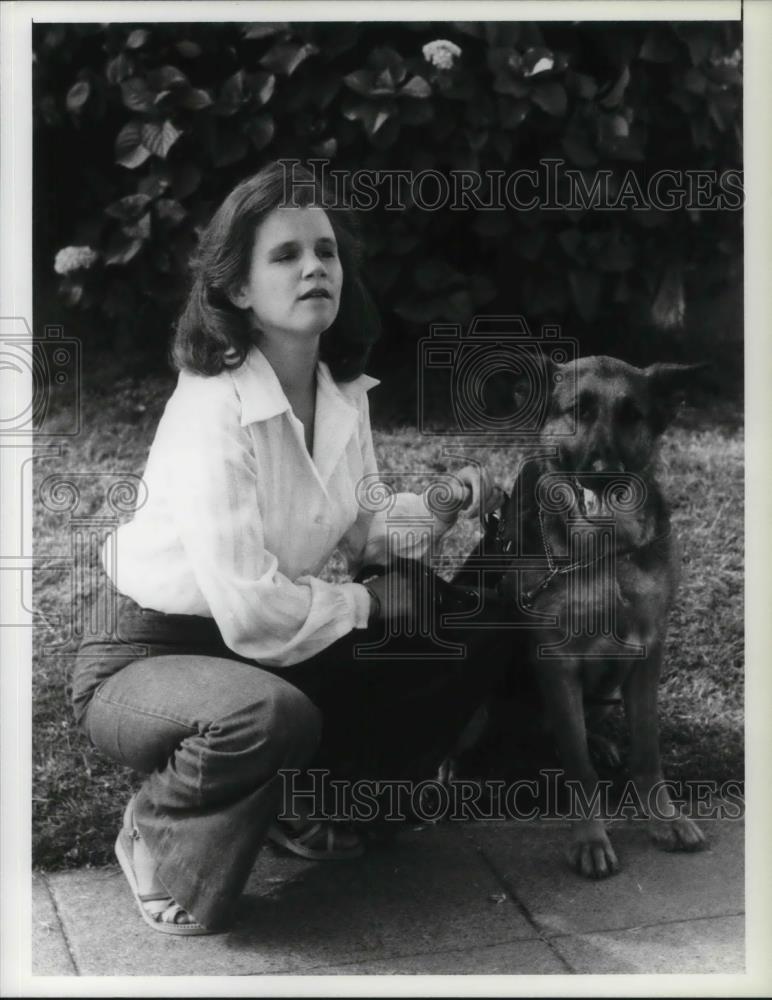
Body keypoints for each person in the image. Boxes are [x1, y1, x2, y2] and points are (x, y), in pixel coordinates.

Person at [71, 161, 508, 936]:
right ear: (239, 290)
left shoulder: (340, 391)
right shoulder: (212, 408)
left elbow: (368, 529)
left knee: (455, 627)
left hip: (258, 647)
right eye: (285, 255)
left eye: (326, 251)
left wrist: (442, 505)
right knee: (270, 714)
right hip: (146, 658)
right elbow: (251, 609)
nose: (315, 268)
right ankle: (154, 827)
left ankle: (310, 807)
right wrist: (366, 602)